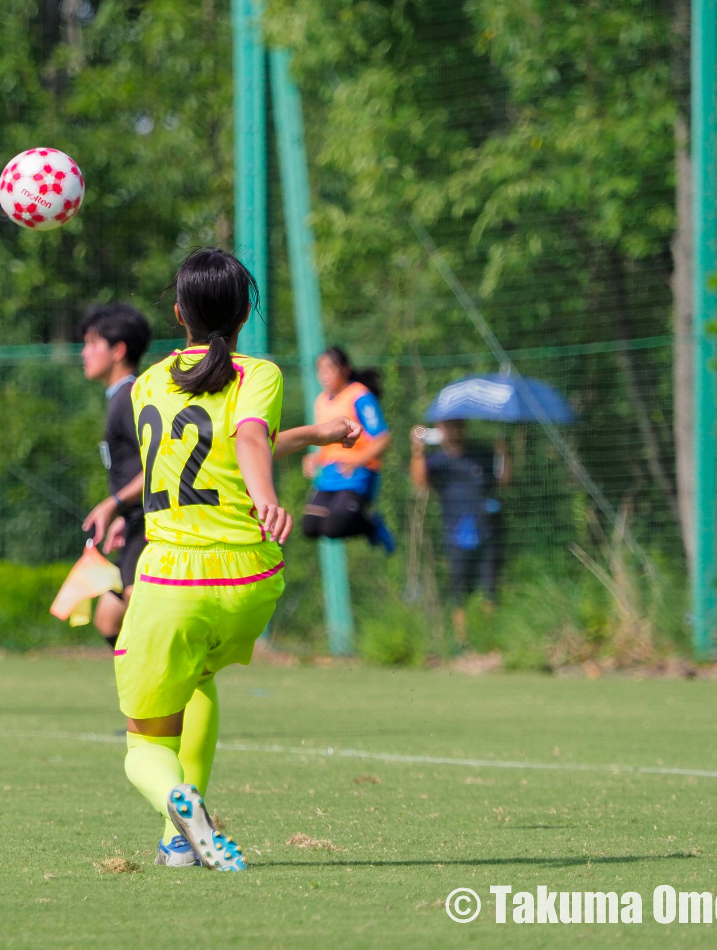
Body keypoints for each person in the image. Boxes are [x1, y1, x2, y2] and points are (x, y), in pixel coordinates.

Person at [117, 248, 359, 871]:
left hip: (171, 578)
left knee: (141, 747)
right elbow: (245, 435)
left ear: (177, 313)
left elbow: (242, 438)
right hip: (249, 582)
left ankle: (180, 804)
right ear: (246, 312)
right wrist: (317, 438)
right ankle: (179, 843)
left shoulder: (146, 383)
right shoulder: (260, 374)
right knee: (198, 680)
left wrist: (266, 492)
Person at [78, 304, 152, 648]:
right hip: (136, 522)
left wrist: (114, 504)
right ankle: (147, 694)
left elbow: (160, 464)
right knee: (108, 618)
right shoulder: (119, 397)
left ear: (118, 350)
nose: (85, 353)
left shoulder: (130, 399)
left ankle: (163, 696)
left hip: (152, 527)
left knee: (145, 622)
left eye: (93, 343)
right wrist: (124, 513)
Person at [408, 418, 510, 644]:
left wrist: (504, 455)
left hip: (488, 528)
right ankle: (462, 641)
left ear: (463, 427)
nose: (450, 430)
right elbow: (420, 484)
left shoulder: (482, 454)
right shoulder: (436, 461)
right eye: (445, 426)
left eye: (455, 425)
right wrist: (417, 451)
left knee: (490, 586)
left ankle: (488, 639)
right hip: (455, 531)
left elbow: (503, 482)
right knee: (458, 587)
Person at [300, 347, 395, 552]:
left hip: (357, 473)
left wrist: (357, 461)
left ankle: (371, 525)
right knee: (310, 526)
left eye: (329, 369)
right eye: (320, 370)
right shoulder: (321, 401)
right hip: (329, 474)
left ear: (345, 369)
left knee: (333, 527)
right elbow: (326, 444)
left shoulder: (359, 396)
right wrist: (314, 459)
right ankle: (367, 525)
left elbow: (383, 438)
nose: (324, 375)